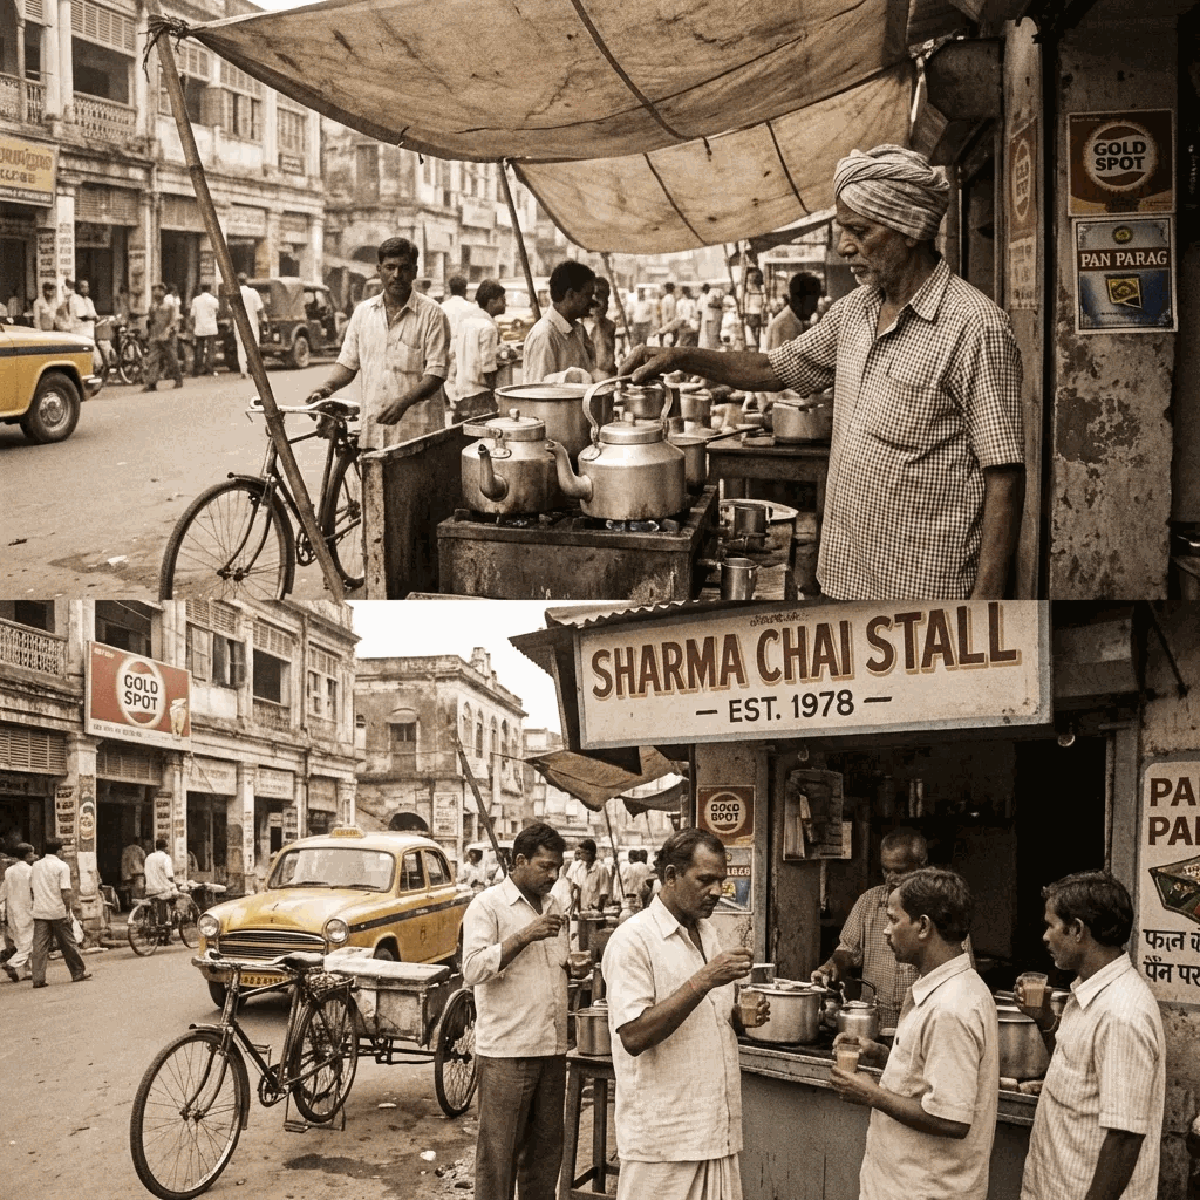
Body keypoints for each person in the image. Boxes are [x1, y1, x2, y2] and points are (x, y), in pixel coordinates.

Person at [622, 143, 1025, 601]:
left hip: (926, 592)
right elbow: (774, 368)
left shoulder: (976, 327)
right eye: (841, 229)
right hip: (845, 577)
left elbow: (1005, 473)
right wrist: (681, 357)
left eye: (860, 231)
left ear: (910, 228)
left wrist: (987, 602)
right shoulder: (854, 312)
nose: (843, 246)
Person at [602, 829, 766, 1200]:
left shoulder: (707, 933)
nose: (715, 891)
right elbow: (633, 1035)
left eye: (720, 881)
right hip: (664, 1141)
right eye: (705, 880)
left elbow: (705, 1014)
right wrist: (705, 980)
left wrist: (738, 1017)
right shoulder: (633, 940)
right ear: (671, 876)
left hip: (713, 1130)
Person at [829, 868, 998, 1200]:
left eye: (893, 920)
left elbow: (951, 1119)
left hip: (926, 1190)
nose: (885, 931)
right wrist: (880, 1054)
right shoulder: (944, 990)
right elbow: (934, 1076)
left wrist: (871, 1094)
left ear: (923, 926)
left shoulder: (952, 1006)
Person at [1017, 871, 1165, 1200]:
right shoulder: (1086, 992)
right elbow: (1079, 1071)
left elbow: (1124, 1136)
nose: (1044, 937)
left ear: (1079, 930)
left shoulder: (1121, 1013)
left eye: (1050, 925)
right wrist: (1044, 1018)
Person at [462, 822, 569, 1200]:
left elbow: (554, 964)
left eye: (558, 867)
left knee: (544, 1157)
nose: (553, 875)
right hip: (508, 1052)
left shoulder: (556, 903)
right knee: (498, 1158)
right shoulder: (487, 905)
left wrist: (575, 966)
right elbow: (473, 969)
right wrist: (524, 935)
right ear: (519, 861)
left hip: (552, 1048)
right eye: (545, 866)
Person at [307, 237, 449, 448]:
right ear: (379, 269)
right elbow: (348, 363)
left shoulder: (432, 314)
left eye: (404, 268)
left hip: (419, 436)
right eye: (390, 268)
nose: (397, 275)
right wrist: (327, 387)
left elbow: (435, 375)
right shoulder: (363, 312)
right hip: (374, 432)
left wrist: (403, 403)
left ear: (414, 271)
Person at [812, 827, 928, 1029]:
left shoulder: (940, 906)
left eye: (899, 871)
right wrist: (832, 966)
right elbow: (847, 949)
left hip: (921, 1023)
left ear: (922, 865)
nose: (890, 878)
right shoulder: (869, 902)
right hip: (873, 1024)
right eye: (885, 870)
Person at [520, 260, 596, 383]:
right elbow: (538, 391)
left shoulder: (578, 330)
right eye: (587, 295)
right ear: (570, 295)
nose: (591, 303)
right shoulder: (544, 335)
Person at [30, 839, 91, 987]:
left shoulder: (36, 866)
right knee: (68, 943)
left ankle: (38, 978)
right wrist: (68, 910)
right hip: (57, 910)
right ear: (58, 851)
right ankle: (77, 972)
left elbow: (32, 888)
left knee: (39, 946)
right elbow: (65, 891)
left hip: (40, 911)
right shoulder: (62, 866)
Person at [453, 279, 506, 421]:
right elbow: (487, 368)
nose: (505, 303)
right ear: (491, 302)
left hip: (461, 395)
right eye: (502, 299)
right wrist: (495, 394)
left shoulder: (465, 323)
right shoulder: (488, 328)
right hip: (480, 397)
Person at [441, 274, 475, 409]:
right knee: (462, 374)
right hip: (464, 344)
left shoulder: (442, 307)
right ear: (464, 289)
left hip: (448, 343)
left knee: (449, 376)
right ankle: (459, 402)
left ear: (450, 289)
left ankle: (451, 401)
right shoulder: (470, 307)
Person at [2, 842, 35, 982]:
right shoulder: (30, 870)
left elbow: (3, 891)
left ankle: (28, 970)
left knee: (20, 941)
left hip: (12, 910)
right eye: (32, 853)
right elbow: (34, 890)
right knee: (29, 942)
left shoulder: (9, 871)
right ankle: (12, 963)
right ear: (28, 855)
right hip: (27, 909)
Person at [764, 272, 822, 351]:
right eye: (813, 301)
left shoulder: (795, 321)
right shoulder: (783, 326)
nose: (815, 308)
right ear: (799, 299)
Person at [143, 283, 183, 391]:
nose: (157, 293)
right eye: (156, 291)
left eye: (160, 291)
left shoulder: (169, 307)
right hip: (155, 336)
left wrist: (169, 330)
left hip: (168, 337)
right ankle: (151, 382)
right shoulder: (152, 307)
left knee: (172, 359)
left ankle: (178, 378)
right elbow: (151, 322)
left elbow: (173, 321)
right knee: (153, 360)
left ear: (164, 293)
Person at [234, 273, 264, 379]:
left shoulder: (234, 293)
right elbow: (259, 309)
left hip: (238, 324)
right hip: (252, 323)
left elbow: (231, 311)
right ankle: (253, 369)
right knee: (253, 346)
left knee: (241, 346)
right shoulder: (253, 293)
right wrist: (262, 320)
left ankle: (243, 371)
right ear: (246, 281)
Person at [586, 277, 618, 377]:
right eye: (594, 296)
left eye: (602, 296)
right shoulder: (581, 328)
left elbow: (608, 362)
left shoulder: (610, 326)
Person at [571, 838, 611, 914]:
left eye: (582, 853)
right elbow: (577, 891)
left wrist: (599, 911)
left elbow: (604, 892)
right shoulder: (580, 868)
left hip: (595, 911)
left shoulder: (601, 869)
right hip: (582, 911)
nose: (580, 855)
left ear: (589, 853)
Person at [143, 837, 176, 927]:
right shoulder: (166, 858)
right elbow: (169, 876)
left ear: (156, 847)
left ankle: (152, 925)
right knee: (170, 902)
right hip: (162, 890)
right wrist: (174, 885)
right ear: (165, 847)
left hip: (149, 889)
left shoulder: (148, 858)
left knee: (153, 908)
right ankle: (166, 926)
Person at [190, 283, 220, 376]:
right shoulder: (214, 300)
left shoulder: (195, 300)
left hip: (200, 327)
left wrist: (193, 326)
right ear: (210, 289)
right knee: (211, 348)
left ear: (201, 289)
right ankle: (209, 368)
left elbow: (192, 316)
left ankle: (199, 368)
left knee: (199, 348)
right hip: (211, 328)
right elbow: (217, 312)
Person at [623, 848, 654, 912]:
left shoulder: (629, 867)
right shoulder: (646, 867)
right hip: (643, 900)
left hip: (631, 900)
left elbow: (625, 884)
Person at [740, 268, 765, 348]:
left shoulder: (759, 290)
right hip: (752, 313)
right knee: (753, 335)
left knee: (755, 335)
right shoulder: (749, 290)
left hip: (756, 313)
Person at [120, 836, 146, 909]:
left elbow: (123, 863)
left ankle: (131, 906)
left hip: (128, 874)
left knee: (130, 891)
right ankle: (139, 908)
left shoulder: (126, 849)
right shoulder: (139, 849)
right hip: (138, 873)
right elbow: (144, 860)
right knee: (139, 891)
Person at [699, 283, 725, 350]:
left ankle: (714, 349)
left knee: (713, 337)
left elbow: (714, 304)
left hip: (712, 319)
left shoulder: (712, 294)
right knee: (709, 338)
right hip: (708, 319)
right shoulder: (703, 296)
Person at [657, 281, 678, 348]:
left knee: (661, 334)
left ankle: (661, 347)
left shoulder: (665, 299)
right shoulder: (675, 299)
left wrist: (663, 323)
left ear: (667, 289)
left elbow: (664, 313)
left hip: (667, 322)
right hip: (674, 321)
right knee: (674, 336)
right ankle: (672, 346)